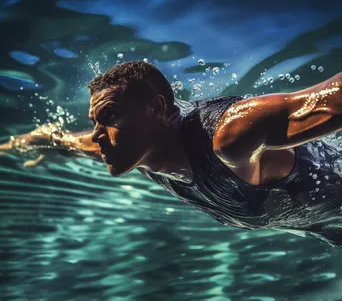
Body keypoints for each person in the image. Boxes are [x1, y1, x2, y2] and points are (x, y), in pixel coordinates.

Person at [1, 61, 342, 247]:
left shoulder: (231, 136)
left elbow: (330, 100)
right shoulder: (133, 150)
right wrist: (15, 147)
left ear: (157, 107)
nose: (96, 136)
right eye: (95, 122)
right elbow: (61, 140)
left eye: (109, 117)